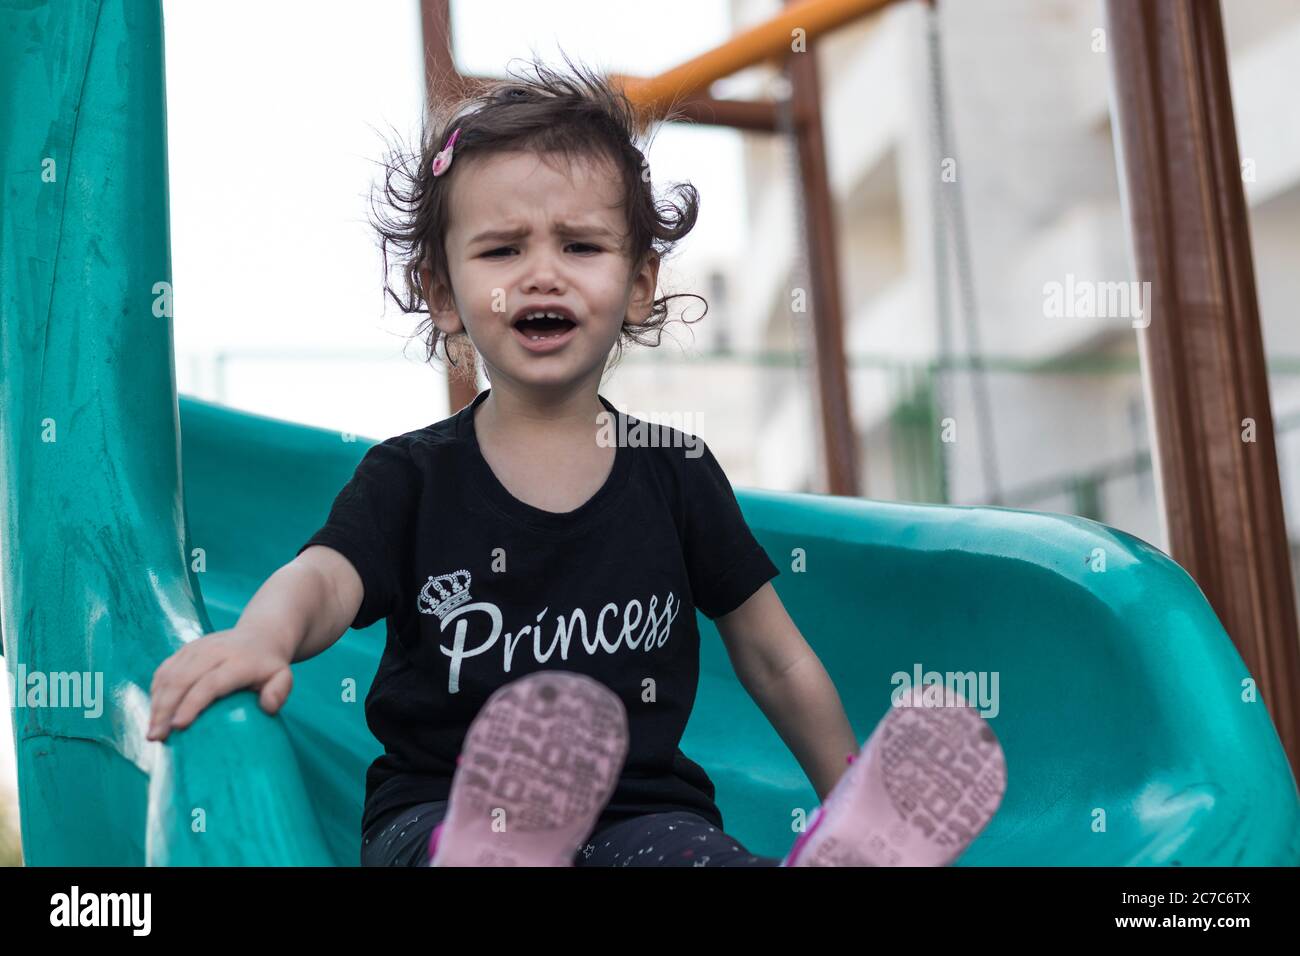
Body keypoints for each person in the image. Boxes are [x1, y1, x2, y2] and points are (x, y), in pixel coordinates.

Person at [146, 54, 1006, 867]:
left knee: (692, 856)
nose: (542, 274)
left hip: (643, 816)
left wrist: (842, 793)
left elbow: (776, 658)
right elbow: (325, 579)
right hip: (439, 812)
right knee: (458, 843)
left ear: (638, 283)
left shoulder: (674, 473)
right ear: (444, 293)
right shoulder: (411, 478)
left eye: (581, 247)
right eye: (502, 249)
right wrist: (262, 638)